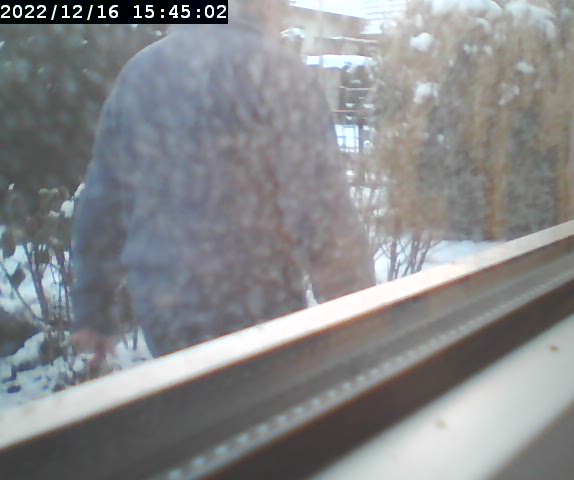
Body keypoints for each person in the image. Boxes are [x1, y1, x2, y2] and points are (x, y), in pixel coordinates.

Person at [70, 0, 376, 361]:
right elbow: (322, 209)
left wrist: (93, 309)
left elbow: (104, 200)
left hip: (164, 304)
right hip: (259, 303)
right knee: (262, 393)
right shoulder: (281, 74)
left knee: (193, 390)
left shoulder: (140, 73)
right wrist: (359, 314)